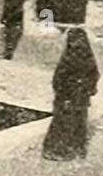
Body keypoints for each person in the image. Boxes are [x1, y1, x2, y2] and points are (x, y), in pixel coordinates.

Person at [42, 28, 99, 160]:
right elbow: (58, 80)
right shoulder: (77, 58)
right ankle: (61, 152)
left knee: (76, 122)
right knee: (67, 122)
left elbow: (93, 75)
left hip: (77, 97)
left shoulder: (78, 58)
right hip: (69, 97)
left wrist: (89, 89)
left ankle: (73, 150)